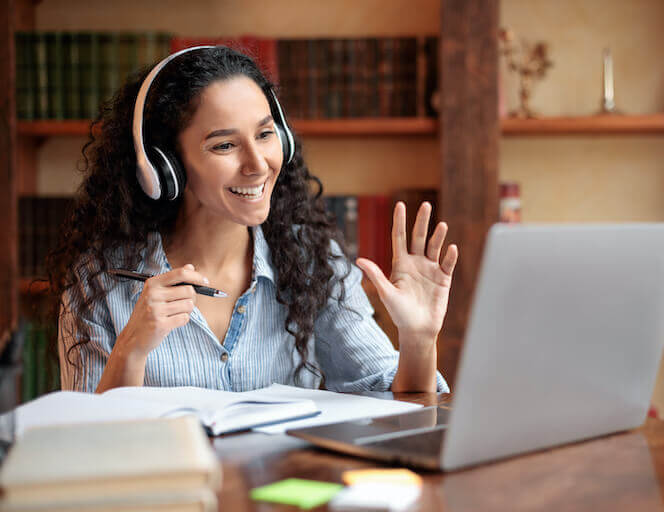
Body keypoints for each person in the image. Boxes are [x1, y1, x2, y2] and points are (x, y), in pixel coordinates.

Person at [47, 46, 457, 394]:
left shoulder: (310, 259)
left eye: (264, 135)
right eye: (225, 145)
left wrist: (419, 340)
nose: (258, 165)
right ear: (164, 166)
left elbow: (396, 403)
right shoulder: (100, 281)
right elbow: (94, 445)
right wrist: (131, 349)